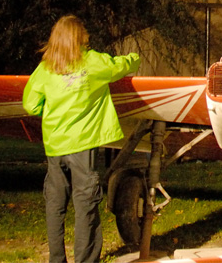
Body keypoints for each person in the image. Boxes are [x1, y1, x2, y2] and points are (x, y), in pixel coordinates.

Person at [23, 15, 140, 263]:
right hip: (82, 145)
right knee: (85, 204)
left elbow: (31, 104)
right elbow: (120, 66)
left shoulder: (45, 68)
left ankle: (57, 259)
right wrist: (134, 58)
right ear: (80, 37)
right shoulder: (92, 61)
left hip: (55, 146)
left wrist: (53, 112)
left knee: (55, 205)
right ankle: (85, 260)